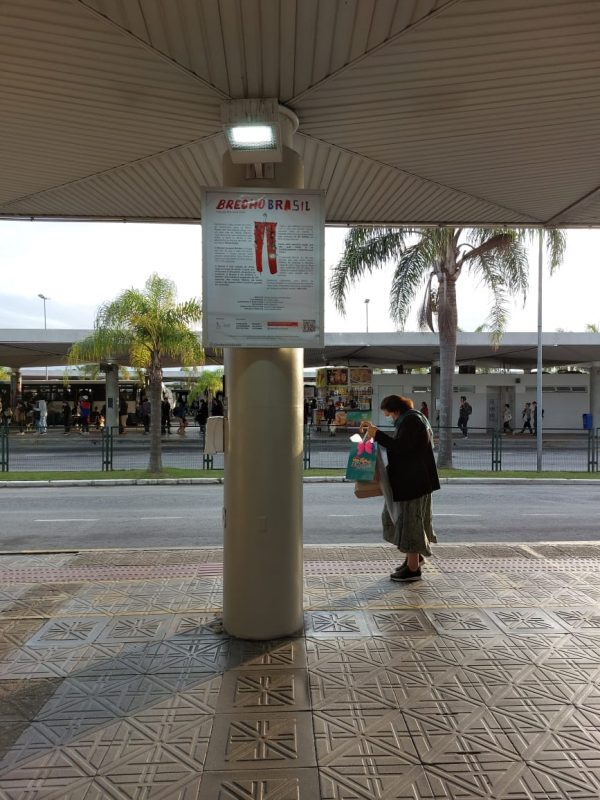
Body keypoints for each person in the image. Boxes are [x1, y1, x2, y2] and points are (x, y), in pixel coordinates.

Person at [361, 395, 440, 583]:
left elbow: (401, 448)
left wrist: (377, 435)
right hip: (415, 481)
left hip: (413, 482)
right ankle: (413, 559)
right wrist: (376, 433)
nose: (390, 418)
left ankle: (413, 569)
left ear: (396, 410)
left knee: (410, 524)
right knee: (406, 521)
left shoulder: (412, 420)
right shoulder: (414, 419)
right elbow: (405, 447)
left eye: (389, 415)